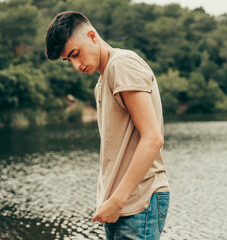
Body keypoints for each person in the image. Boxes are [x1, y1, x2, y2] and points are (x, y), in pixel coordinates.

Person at [45, 11, 170, 240]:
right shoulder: (102, 82)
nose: (75, 65)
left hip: (137, 204)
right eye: (68, 60)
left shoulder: (122, 65)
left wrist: (117, 199)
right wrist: (110, 202)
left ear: (92, 36)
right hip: (119, 208)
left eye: (75, 54)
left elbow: (153, 138)